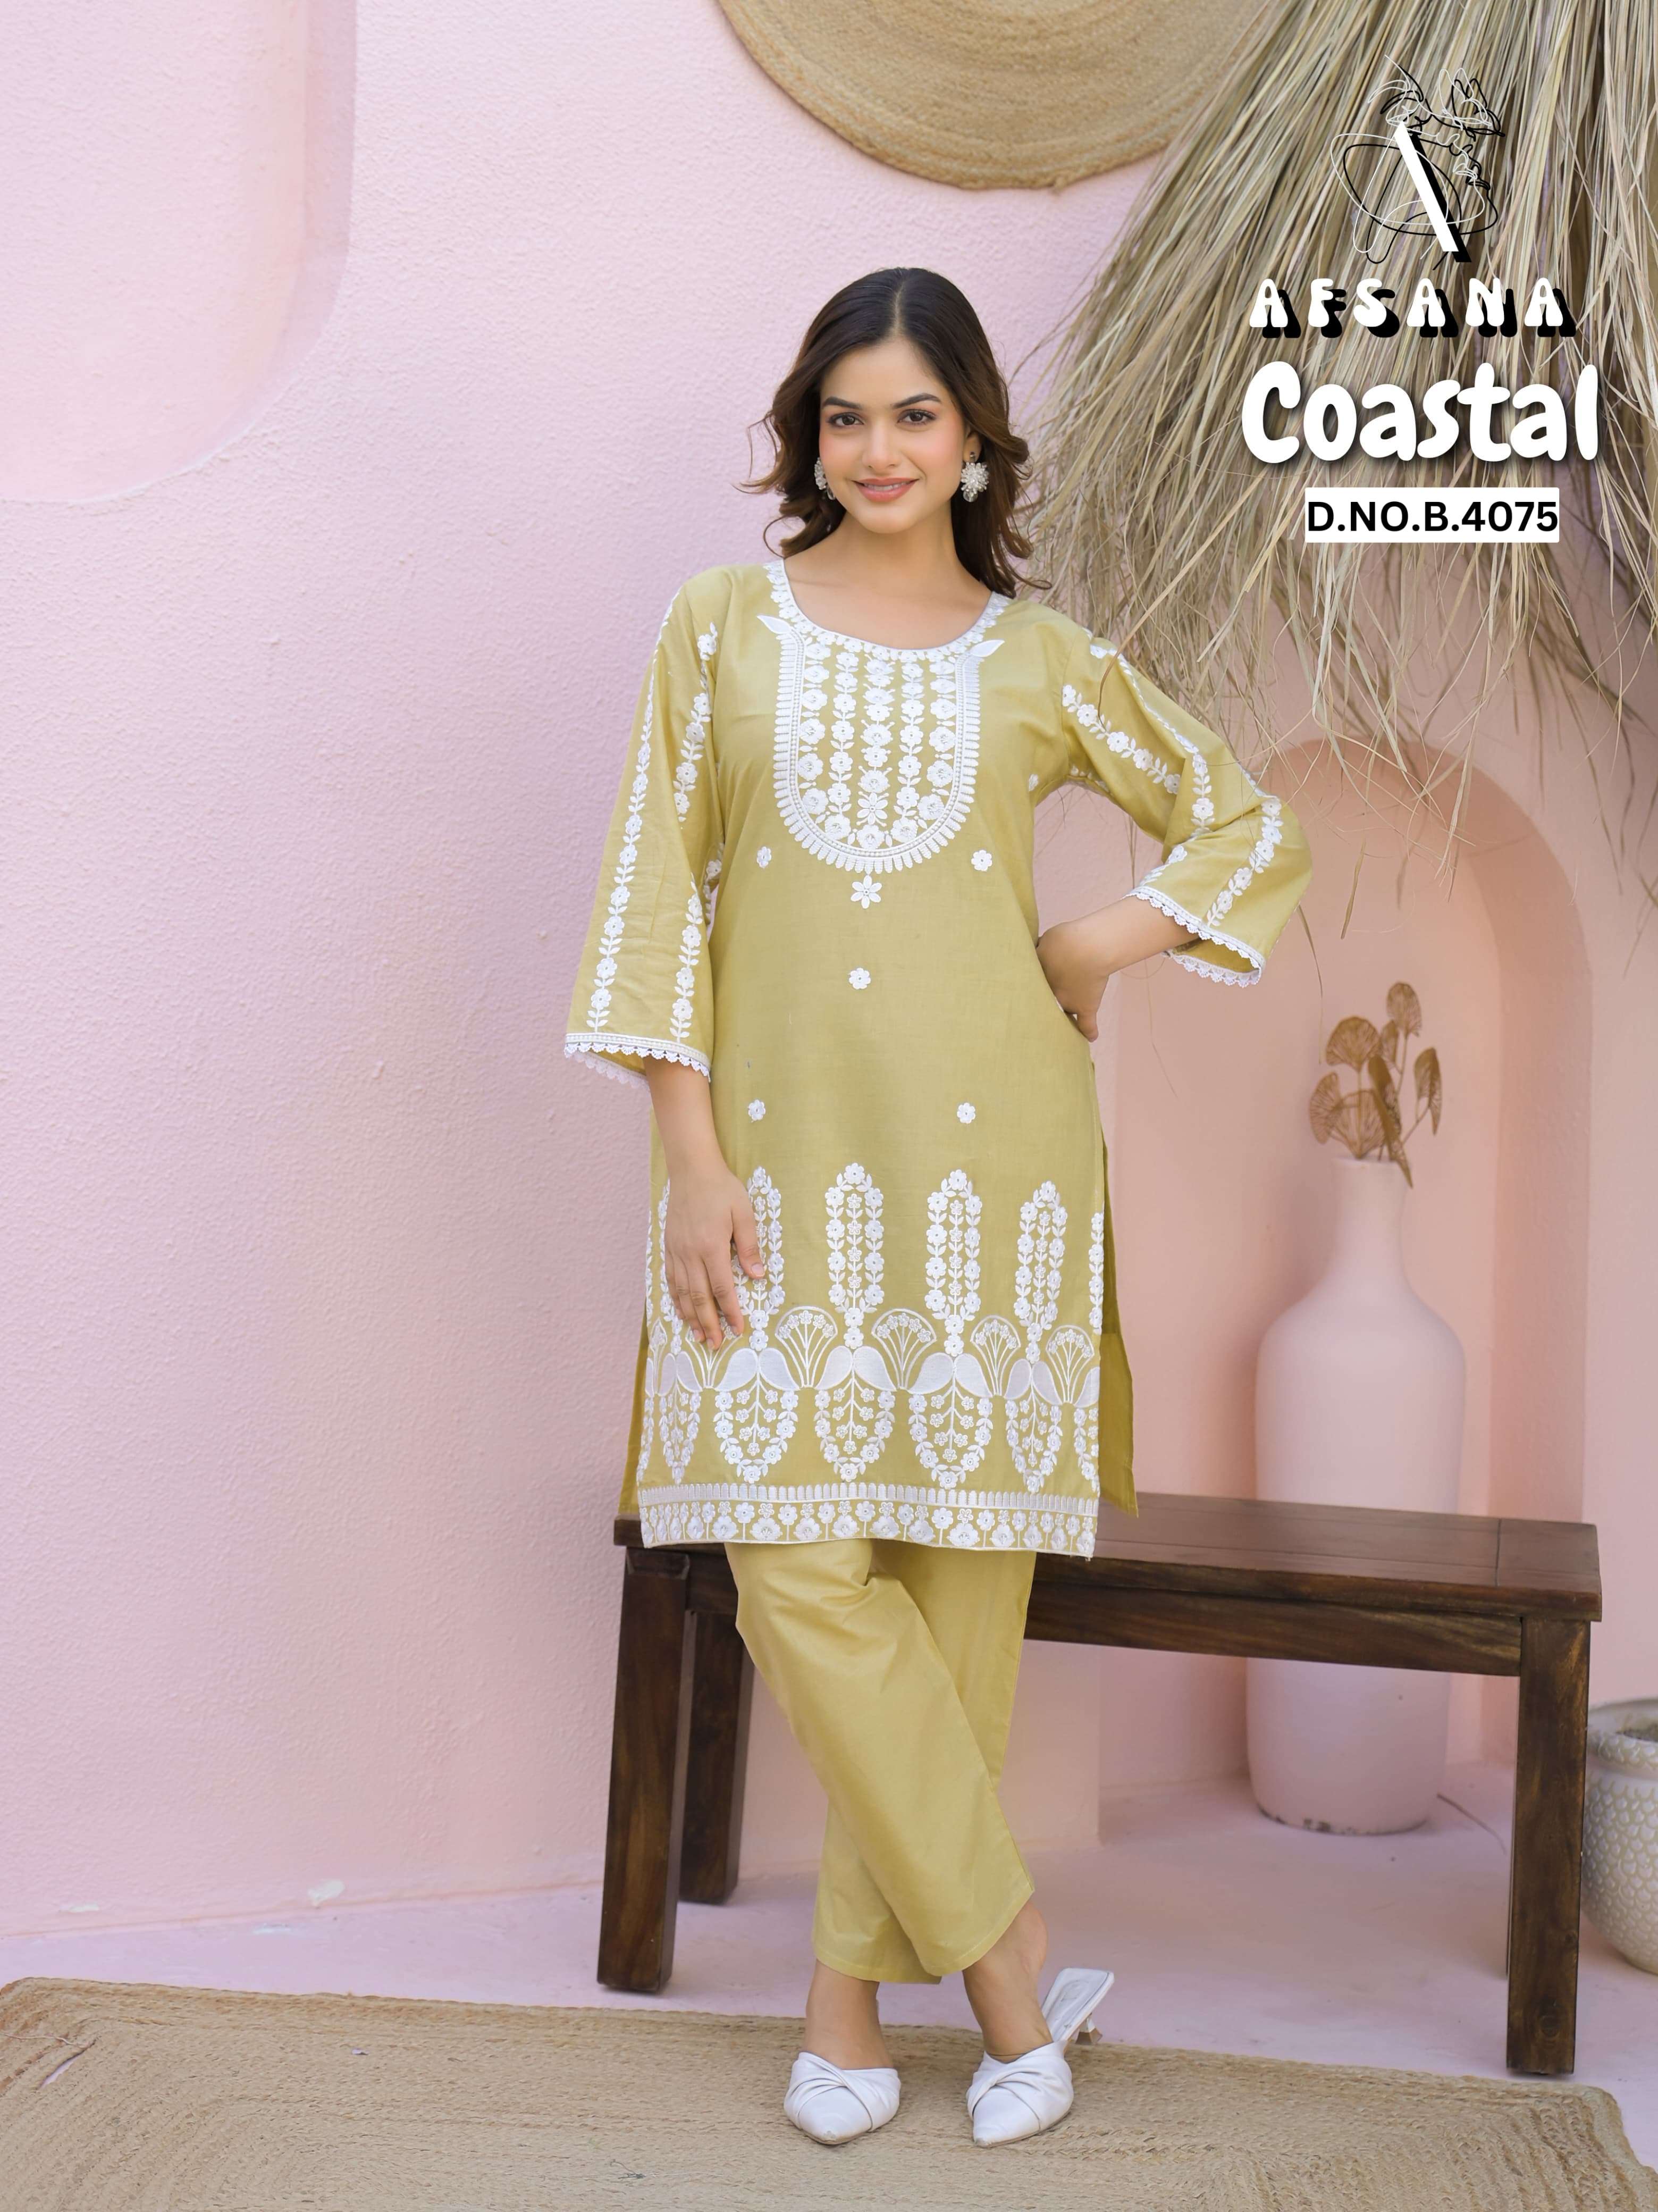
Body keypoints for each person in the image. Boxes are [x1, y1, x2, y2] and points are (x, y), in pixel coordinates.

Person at [566, 267, 1311, 2147]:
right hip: (771, 1179)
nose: (878, 448)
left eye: (914, 414)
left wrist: (1098, 941)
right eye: (846, 416)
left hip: (998, 1186)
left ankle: (843, 2017)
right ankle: (1011, 1967)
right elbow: (656, 897)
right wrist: (692, 1162)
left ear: (975, 435)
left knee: (955, 1621)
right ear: (808, 437)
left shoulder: (1040, 661)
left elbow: (1250, 822)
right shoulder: (721, 627)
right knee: (796, 1575)